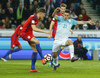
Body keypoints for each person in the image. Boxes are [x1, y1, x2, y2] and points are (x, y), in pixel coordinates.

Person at [21, 8, 49, 72]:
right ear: (40, 13)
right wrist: (45, 32)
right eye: (44, 14)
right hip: (24, 34)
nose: (44, 16)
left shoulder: (37, 18)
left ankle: (32, 68)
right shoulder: (33, 18)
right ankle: (42, 58)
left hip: (30, 34)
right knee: (37, 41)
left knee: (35, 50)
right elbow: (34, 28)